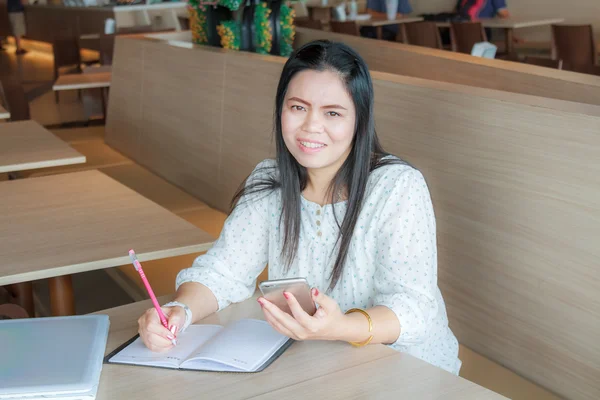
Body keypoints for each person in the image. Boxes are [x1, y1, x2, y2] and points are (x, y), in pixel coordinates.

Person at [137, 40, 461, 375]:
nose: (310, 127)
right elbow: (223, 272)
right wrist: (179, 311)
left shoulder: (396, 186)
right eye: (298, 107)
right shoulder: (269, 180)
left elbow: (414, 308)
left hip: (409, 370)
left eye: (332, 113)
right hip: (320, 367)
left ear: (359, 121)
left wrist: (339, 327)